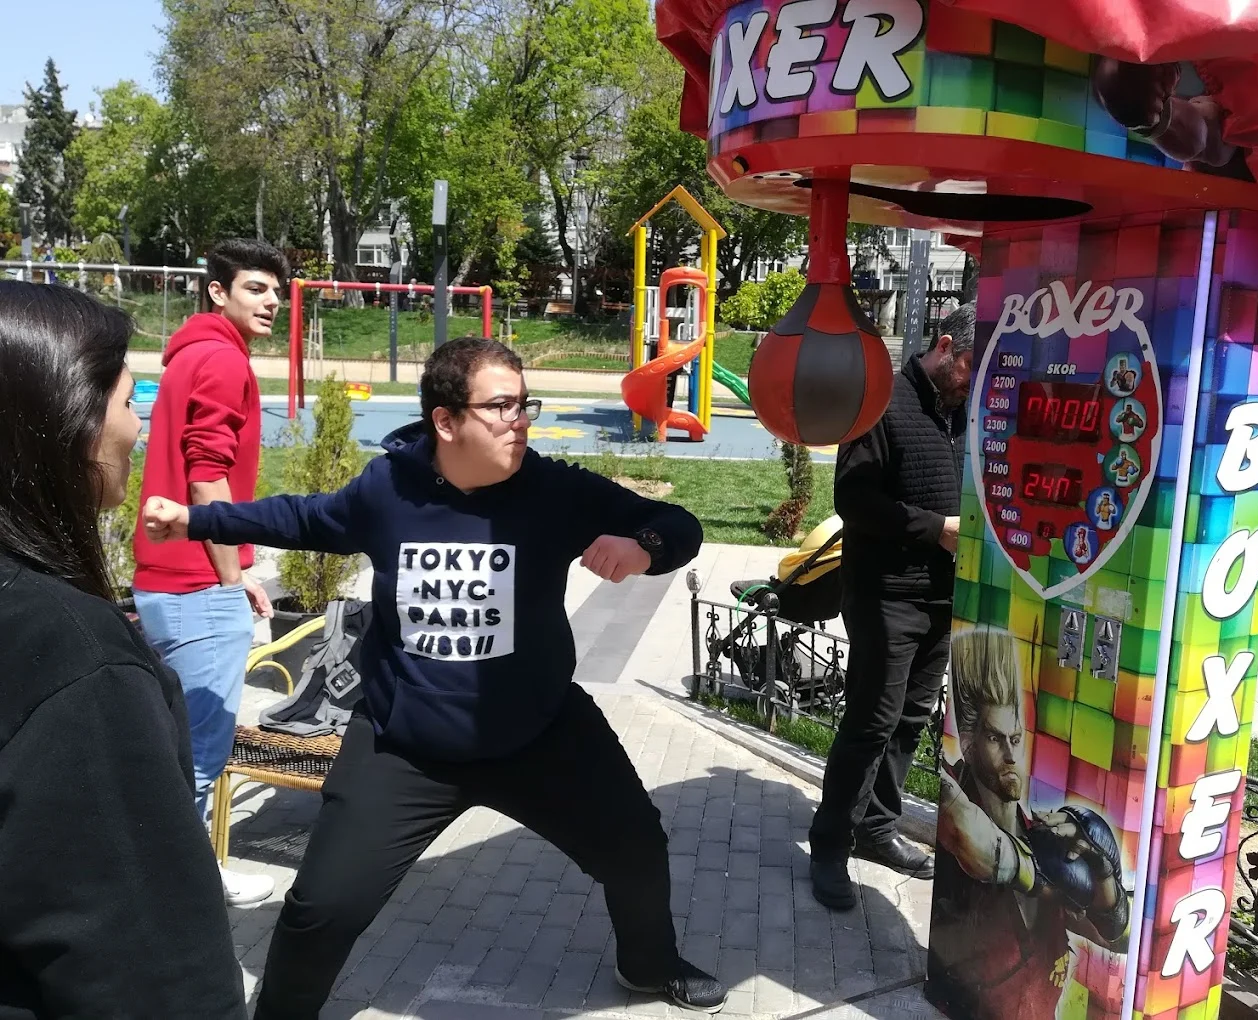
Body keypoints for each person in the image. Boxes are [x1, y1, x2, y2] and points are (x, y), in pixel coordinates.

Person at [143, 337, 729, 1017]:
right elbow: (304, 517)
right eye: (501, 407)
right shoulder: (387, 489)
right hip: (404, 744)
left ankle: (648, 963)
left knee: (638, 849)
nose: (520, 421)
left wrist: (643, 547)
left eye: (524, 404)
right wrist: (195, 519)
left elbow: (675, 522)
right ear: (445, 421)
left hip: (537, 731)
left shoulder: (553, 491)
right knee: (322, 905)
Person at [0, 281, 246, 1016]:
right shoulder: (77, 662)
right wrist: (232, 579)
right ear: (67, 418)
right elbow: (159, 979)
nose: (139, 425)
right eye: (130, 400)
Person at [132, 238, 290, 907]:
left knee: (177, 752)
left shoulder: (189, 354)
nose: (272, 301)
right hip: (197, 587)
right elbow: (206, 479)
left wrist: (239, 571)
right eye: (256, 288)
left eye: (277, 292)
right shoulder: (223, 360)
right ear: (217, 291)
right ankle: (178, 900)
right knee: (199, 759)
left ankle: (184, 882)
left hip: (166, 580)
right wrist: (230, 580)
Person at [807, 302, 975, 910]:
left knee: (909, 718)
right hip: (886, 594)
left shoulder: (967, 411)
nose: (975, 381)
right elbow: (853, 499)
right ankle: (829, 845)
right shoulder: (880, 402)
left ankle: (876, 829)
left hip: (943, 596)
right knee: (871, 721)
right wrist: (936, 529)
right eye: (971, 365)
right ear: (945, 345)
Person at [929, 628, 1130, 1020]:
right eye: (995, 738)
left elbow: (1119, 937)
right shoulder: (955, 798)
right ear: (968, 743)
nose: (1010, 754)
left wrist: (1102, 873)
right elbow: (973, 840)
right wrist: (1043, 879)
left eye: (1016, 739)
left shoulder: (1046, 839)